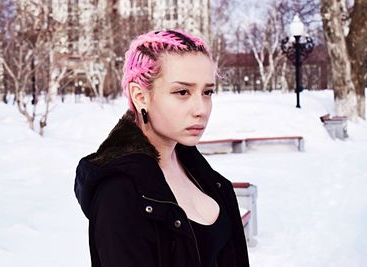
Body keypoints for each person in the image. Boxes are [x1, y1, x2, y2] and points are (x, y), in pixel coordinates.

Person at [74, 29, 250, 267]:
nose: (201, 109)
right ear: (140, 96)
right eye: (182, 92)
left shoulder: (201, 174)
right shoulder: (119, 195)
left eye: (207, 92)